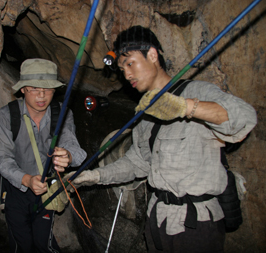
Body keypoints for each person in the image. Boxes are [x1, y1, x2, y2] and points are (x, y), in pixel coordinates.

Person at [65, 26, 257, 252]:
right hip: (157, 219)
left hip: (195, 225)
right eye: (121, 68)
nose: (126, 75)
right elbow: (137, 163)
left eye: (130, 63)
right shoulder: (145, 114)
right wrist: (95, 176)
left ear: (153, 55)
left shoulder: (197, 91)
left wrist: (183, 107)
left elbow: (244, 118)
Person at [0, 58, 87, 252]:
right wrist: (26, 179)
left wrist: (67, 155)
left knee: (44, 243)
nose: (42, 95)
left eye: (48, 88)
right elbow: (1, 158)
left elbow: (76, 150)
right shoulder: (6, 116)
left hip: (48, 189)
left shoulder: (62, 113)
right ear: (23, 89)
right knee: (21, 245)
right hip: (17, 189)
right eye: (34, 88)